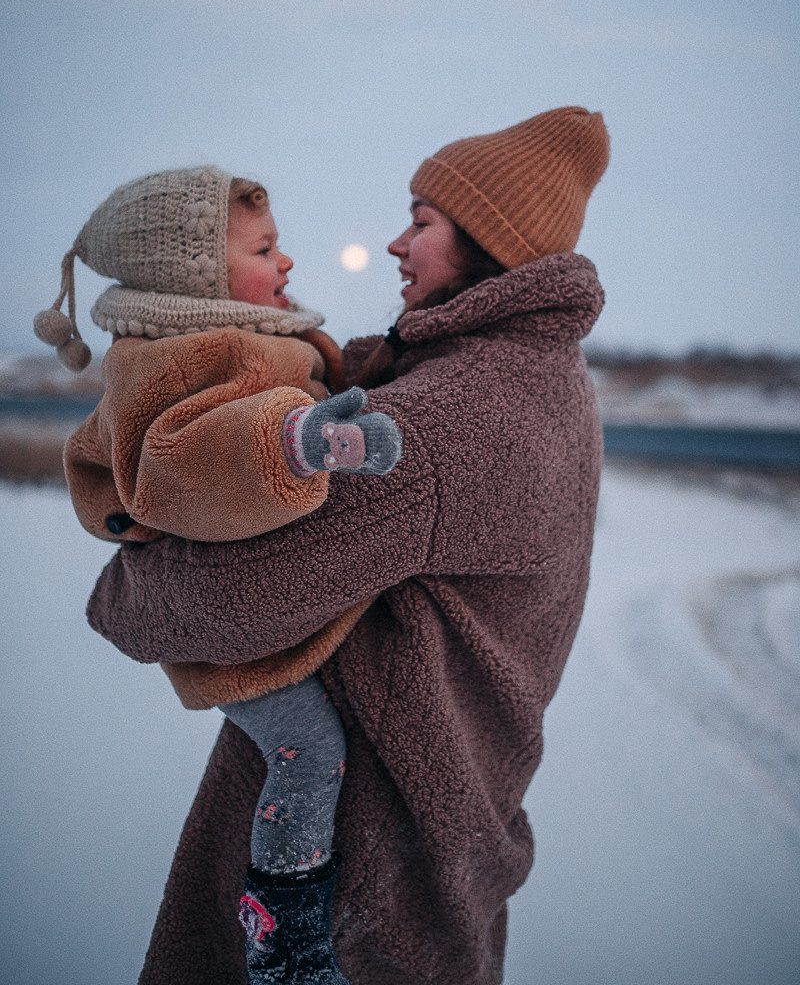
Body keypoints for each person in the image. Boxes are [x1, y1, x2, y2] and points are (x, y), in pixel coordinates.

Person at [86, 106, 610, 985]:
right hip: (438, 853)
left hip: (352, 886)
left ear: (489, 240)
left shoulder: (451, 418)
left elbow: (217, 600)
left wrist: (121, 584)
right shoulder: (540, 379)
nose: (398, 245)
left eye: (422, 221)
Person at [34, 165, 402, 985]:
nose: (289, 262)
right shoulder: (168, 360)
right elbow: (178, 461)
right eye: (265, 248)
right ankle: (285, 931)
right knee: (309, 748)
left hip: (252, 599)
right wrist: (299, 442)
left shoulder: (260, 333)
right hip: (219, 630)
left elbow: (322, 380)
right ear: (197, 275)